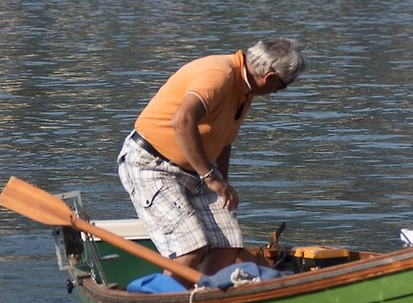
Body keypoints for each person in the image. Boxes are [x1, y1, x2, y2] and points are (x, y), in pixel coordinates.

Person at [117, 37, 307, 279]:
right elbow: (182, 121)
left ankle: (207, 296)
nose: (278, 92)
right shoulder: (220, 75)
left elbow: (224, 141)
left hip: (196, 170)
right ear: (269, 78)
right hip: (151, 164)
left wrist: (222, 183)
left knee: (227, 243)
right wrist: (210, 177)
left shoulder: (244, 90)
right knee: (190, 247)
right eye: (283, 86)